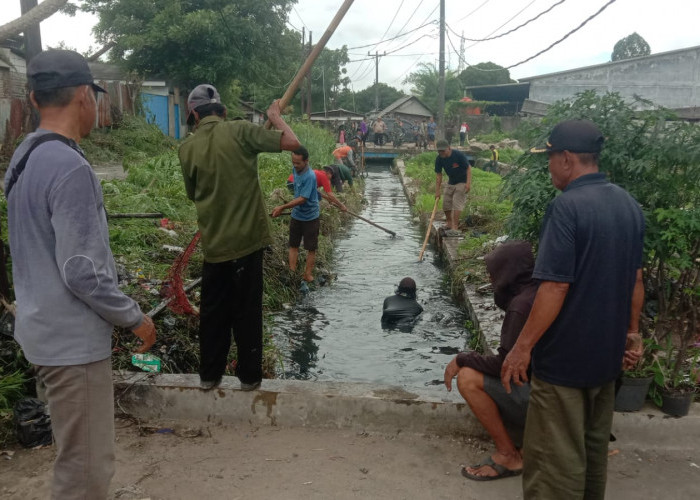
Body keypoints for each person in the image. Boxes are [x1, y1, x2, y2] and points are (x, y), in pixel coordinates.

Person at [4, 49, 157, 499]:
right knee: (87, 468)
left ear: (32, 97)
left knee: (74, 451)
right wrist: (134, 317)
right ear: (85, 98)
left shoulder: (24, 156)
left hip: (40, 330)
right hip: (72, 343)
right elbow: (81, 272)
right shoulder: (71, 167)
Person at [501, 119, 645, 499]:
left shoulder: (567, 208)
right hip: (605, 362)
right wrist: (632, 334)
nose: (548, 166)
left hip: (565, 365)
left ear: (566, 159)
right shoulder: (628, 204)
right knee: (592, 456)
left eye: (549, 157)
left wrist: (522, 347)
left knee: (553, 466)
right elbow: (636, 281)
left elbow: (555, 285)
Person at [179, 84, 300, 392]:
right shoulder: (241, 131)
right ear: (222, 111)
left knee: (213, 314)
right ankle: (249, 379)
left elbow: (194, 194)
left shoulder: (187, 148)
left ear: (193, 114)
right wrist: (275, 116)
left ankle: (209, 377)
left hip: (215, 244)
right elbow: (293, 142)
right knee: (247, 312)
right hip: (247, 242)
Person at [444, 241, 538, 481]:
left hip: (544, 401)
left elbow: (506, 366)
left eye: (493, 271)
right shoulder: (540, 293)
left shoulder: (520, 307)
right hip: (564, 393)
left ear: (507, 272)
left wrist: (464, 357)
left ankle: (509, 455)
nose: (489, 276)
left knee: (467, 378)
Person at [273, 146, 341, 287]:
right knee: (293, 245)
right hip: (297, 214)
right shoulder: (295, 170)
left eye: (298, 163)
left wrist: (282, 207)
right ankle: (292, 272)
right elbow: (300, 192)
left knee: (311, 247)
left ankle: (308, 274)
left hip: (310, 216)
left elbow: (303, 199)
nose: (295, 165)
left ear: (306, 161)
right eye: (293, 162)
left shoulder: (310, 176)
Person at [434, 139, 472, 234]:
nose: (441, 152)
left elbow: (468, 168)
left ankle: (455, 227)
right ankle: (449, 223)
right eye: (439, 151)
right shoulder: (439, 159)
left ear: (449, 148)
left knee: (456, 203)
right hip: (451, 182)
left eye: (443, 150)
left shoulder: (458, 155)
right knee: (446, 203)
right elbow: (439, 175)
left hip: (462, 182)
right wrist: (437, 191)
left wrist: (468, 183)